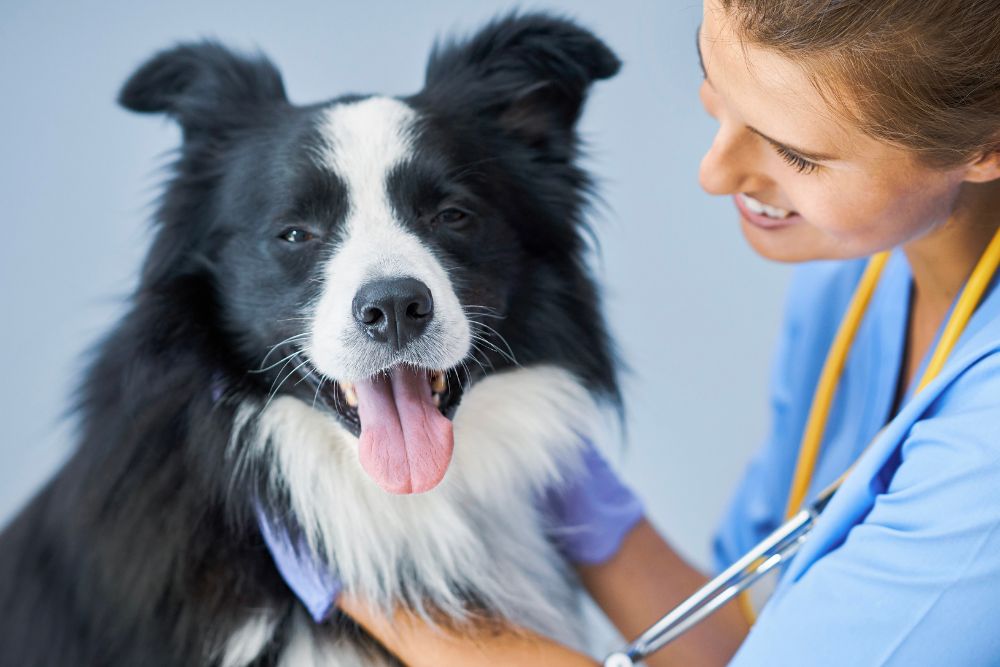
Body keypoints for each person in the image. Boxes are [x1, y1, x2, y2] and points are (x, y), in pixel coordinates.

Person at [332, 0, 1000, 663]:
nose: (714, 173)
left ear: (986, 145)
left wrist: (380, 601)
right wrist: (589, 508)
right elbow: (757, 636)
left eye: (797, 154)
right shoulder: (855, 281)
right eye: (714, 89)